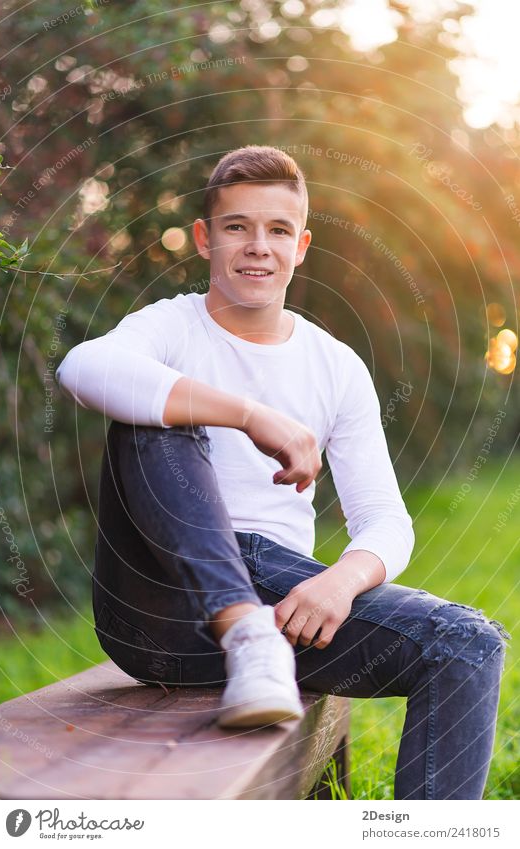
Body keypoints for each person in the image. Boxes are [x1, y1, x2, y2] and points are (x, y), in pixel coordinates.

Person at [55, 145, 510, 799]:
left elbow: (386, 519)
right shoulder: (168, 327)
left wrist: (340, 584)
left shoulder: (335, 365)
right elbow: (82, 369)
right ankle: (241, 627)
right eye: (238, 226)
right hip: (154, 612)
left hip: (286, 617)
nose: (257, 246)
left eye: (277, 230)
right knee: (155, 405)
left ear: (301, 245)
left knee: (470, 644)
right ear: (207, 239)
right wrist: (247, 414)